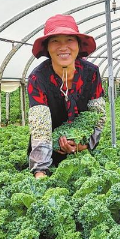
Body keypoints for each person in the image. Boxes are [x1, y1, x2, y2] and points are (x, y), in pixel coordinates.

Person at [27, 14, 106, 178]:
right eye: (55, 41)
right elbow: (40, 128)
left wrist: (84, 145)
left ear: (78, 45)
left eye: (69, 40)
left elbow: (98, 116)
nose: (63, 47)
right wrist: (40, 171)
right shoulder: (38, 78)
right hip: (48, 154)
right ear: (47, 47)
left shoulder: (91, 73)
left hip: (83, 153)